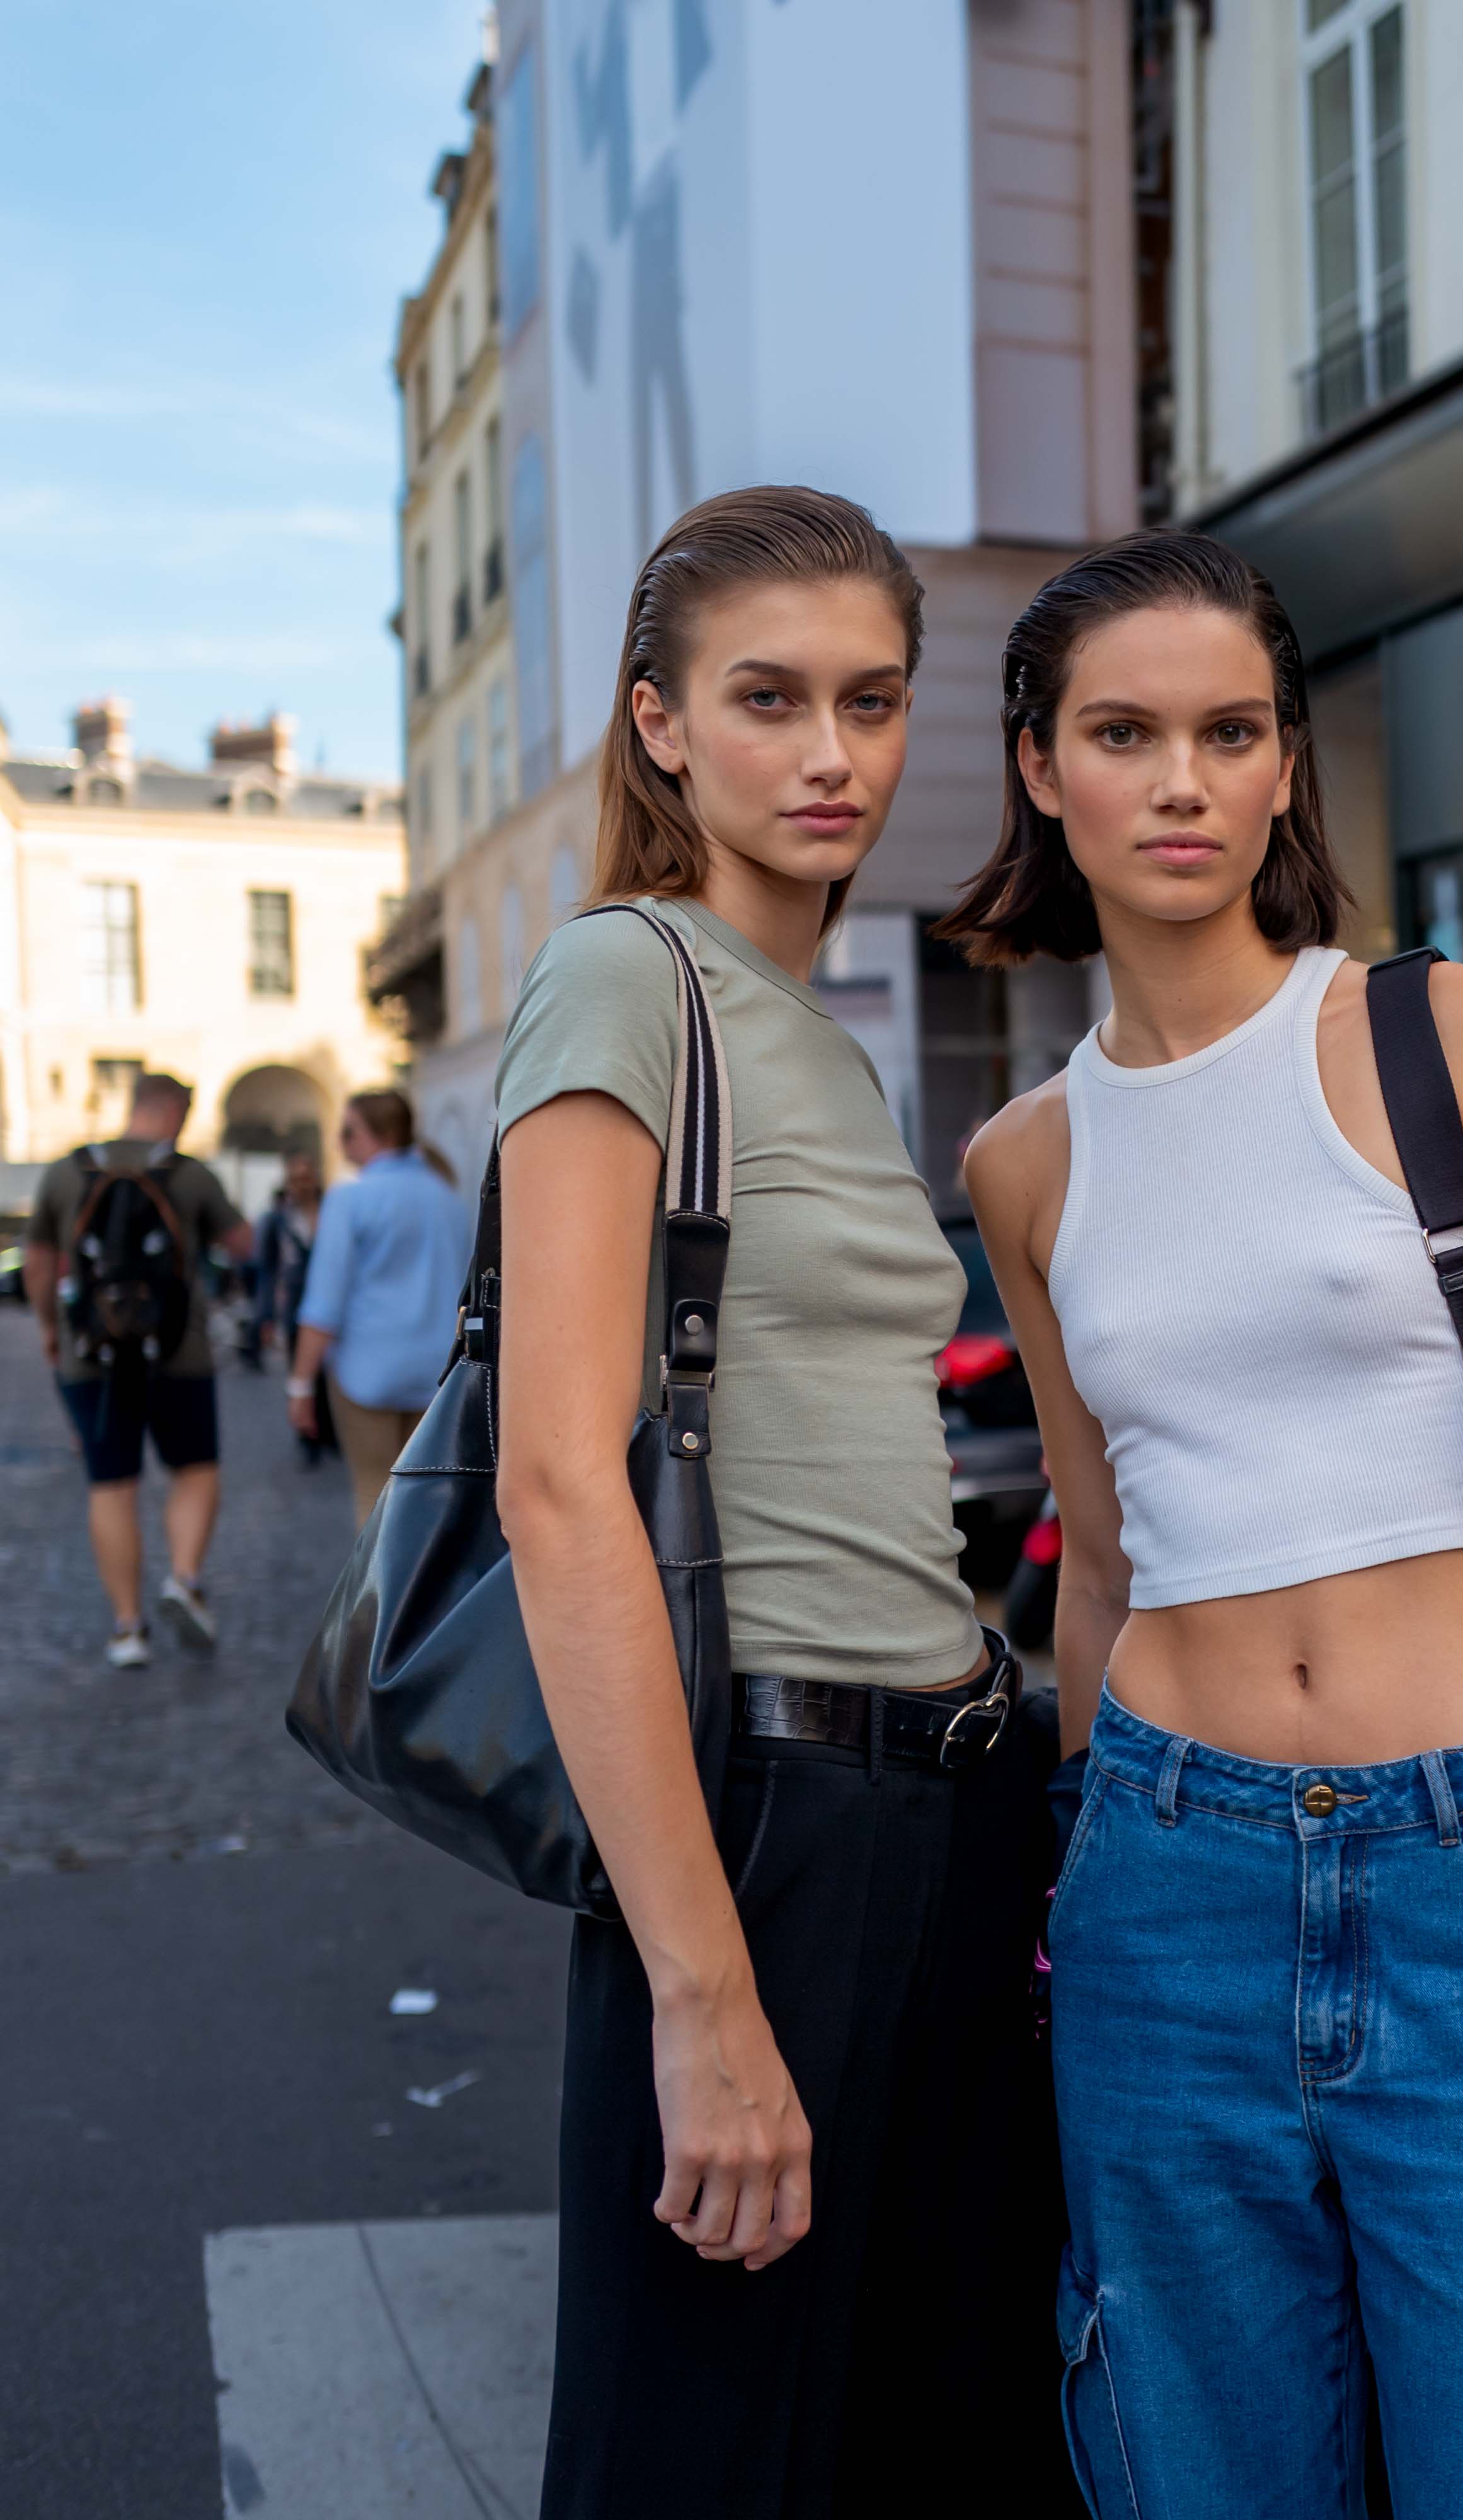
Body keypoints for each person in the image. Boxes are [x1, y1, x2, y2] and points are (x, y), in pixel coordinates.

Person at [946, 531, 1463, 2515]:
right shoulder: (1023, 1160)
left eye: (1227, 731)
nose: (1179, 779)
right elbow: (1096, 1556)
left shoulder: (1445, 1035)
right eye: (1123, 732)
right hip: (1161, 1883)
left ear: (1282, 772)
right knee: (1191, 2472)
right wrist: (1073, 1881)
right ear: (1039, 766)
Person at [490, 488, 1071, 2520]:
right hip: (776, 1815)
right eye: (768, 699)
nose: (832, 753)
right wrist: (705, 1992)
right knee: (713, 2459)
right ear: (659, 723)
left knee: (930, 2444)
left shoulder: (812, 1036)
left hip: (945, 1799)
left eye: (873, 699)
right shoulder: (623, 978)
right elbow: (562, 1486)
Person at [21, 1071, 255, 1665]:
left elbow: (39, 1264)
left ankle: (128, 1629)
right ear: (177, 1110)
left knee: (112, 1484)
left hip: (91, 1355)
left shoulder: (65, 1171)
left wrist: (52, 1330)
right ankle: (184, 1578)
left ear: (134, 1106)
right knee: (195, 1470)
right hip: (179, 1351)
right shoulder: (191, 1173)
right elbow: (243, 1245)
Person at [287, 1093, 466, 1528]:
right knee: (424, 1500)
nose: (341, 1142)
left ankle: (377, 1596)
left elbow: (324, 1305)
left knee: (372, 1495)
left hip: (367, 1372)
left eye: (349, 1132)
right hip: (438, 1374)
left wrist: (300, 1385)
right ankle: (423, 1594)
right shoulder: (450, 1199)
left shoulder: (350, 1200)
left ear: (382, 1136)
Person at [255, 1152, 326, 1463]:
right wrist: (265, 1314)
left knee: (331, 1371)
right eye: (295, 1180)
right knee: (300, 1371)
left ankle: (330, 1433)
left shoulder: (333, 1211)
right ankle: (307, 1437)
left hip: (329, 1302)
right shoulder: (277, 1219)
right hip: (295, 1306)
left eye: (306, 1178)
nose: (301, 1185)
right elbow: (268, 1270)